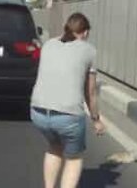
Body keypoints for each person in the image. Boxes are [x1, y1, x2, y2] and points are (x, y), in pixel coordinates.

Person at [31, 12, 106, 188]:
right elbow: (90, 92)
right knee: (73, 159)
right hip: (68, 116)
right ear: (85, 32)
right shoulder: (89, 50)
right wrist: (96, 120)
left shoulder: (48, 45)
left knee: (54, 148)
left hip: (38, 112)